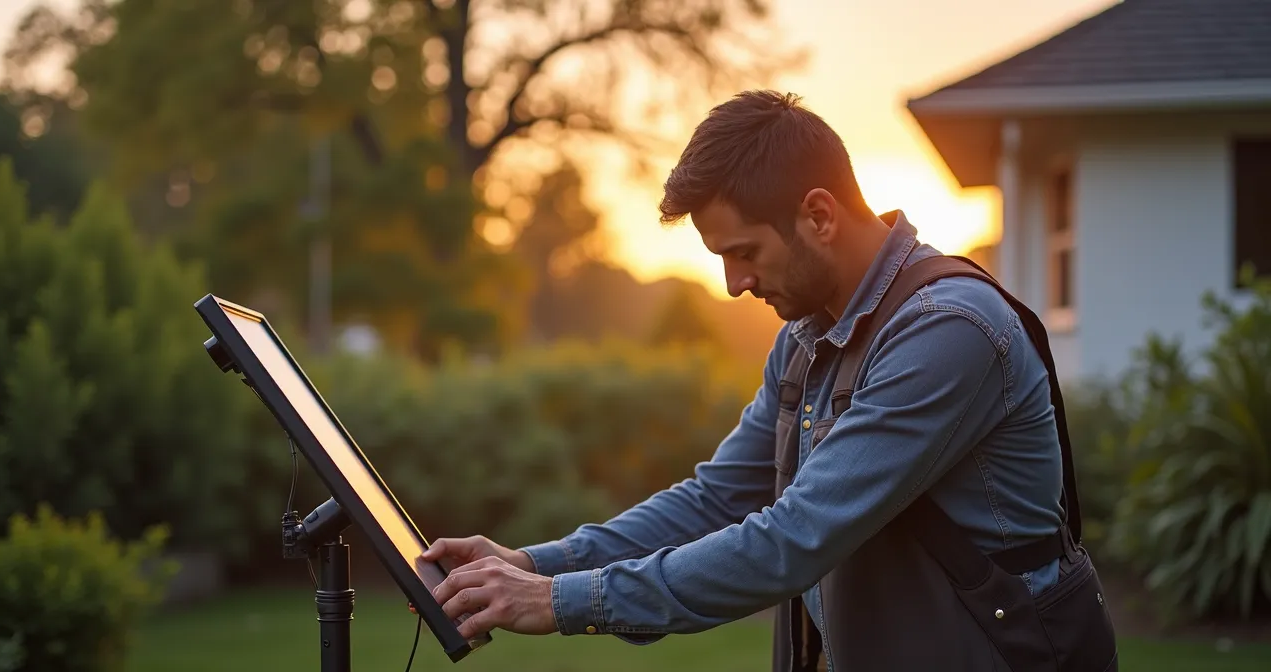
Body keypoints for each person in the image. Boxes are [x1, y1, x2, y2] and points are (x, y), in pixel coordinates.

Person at [422, 90, 1117, 671]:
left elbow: (793, 538)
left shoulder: (947, 332)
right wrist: (534, 565)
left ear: (818, 215)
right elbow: (718, 498)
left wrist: (563, 602)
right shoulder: (807, 336)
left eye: (744, 253)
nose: (733, 285)